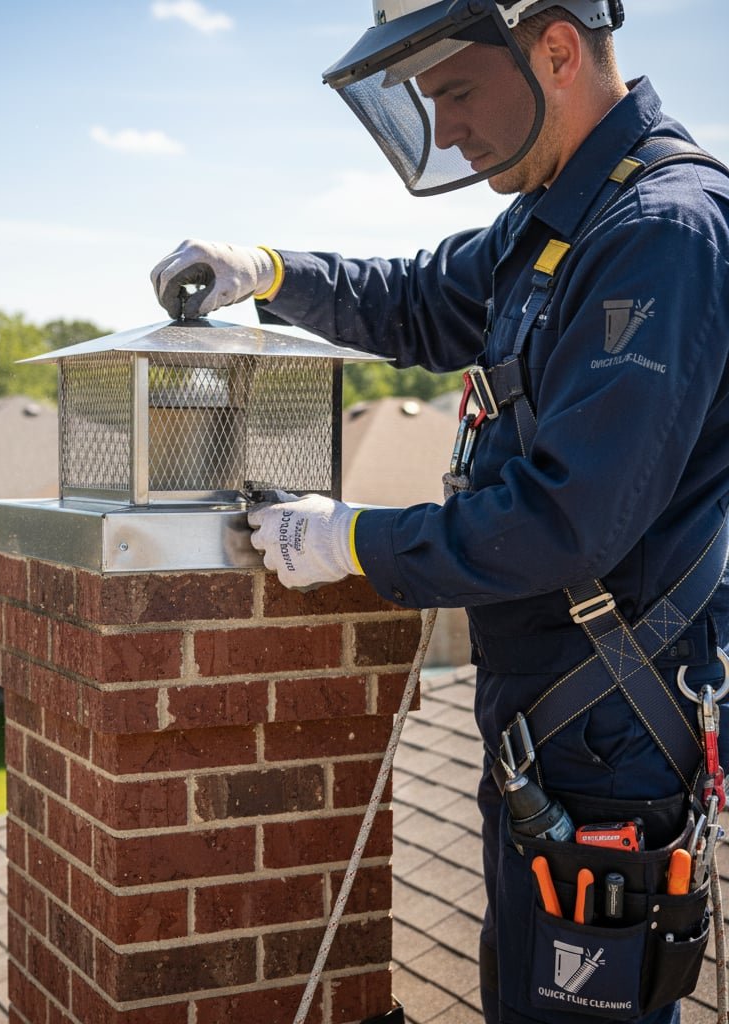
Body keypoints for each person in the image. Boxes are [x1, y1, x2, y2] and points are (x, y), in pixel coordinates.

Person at [149, 2, 729, 1023]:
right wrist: (271, 273)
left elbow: (565, 519)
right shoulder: (555, 221)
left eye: (455, 90)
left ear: (554, 49)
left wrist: (350, 538)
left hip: (609, 739)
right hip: (555, 728)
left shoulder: (660, 234)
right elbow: (416, 301)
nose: (446, 126)